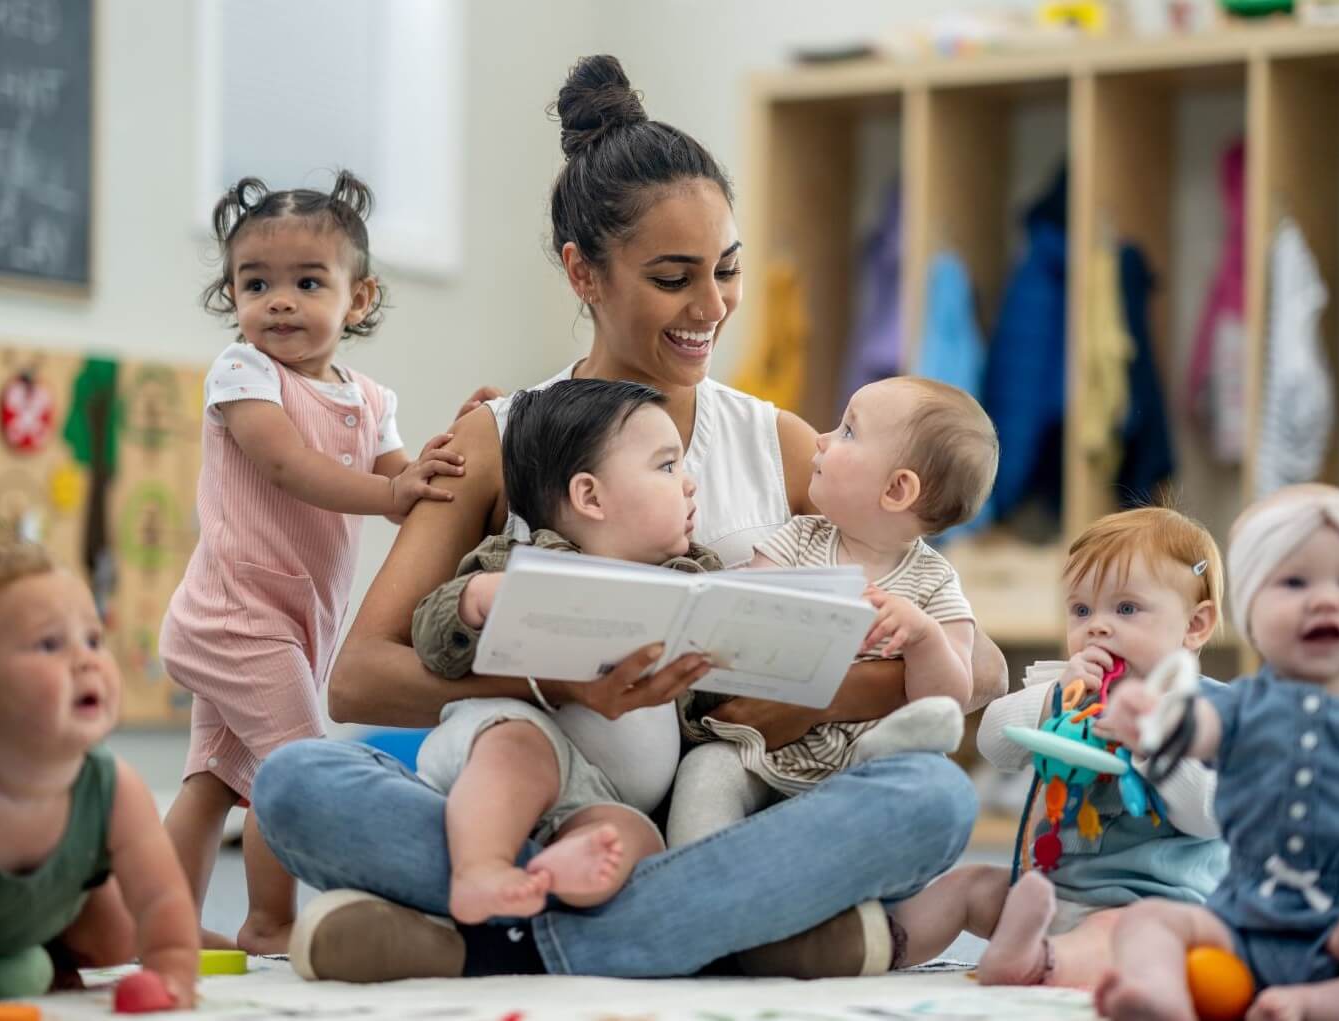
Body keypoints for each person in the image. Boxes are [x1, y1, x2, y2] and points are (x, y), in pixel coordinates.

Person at [255, 54, 1007, 983]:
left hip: (722, 812)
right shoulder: (498, 437)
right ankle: (704, 935)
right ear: (584, 272)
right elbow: (358, 680)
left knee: (931, 797)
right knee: (296, 784)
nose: (712, 307)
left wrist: (780, 700)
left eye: (726, 270)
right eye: (672, 277)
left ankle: (500, 942)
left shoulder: (782, 444)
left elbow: (976, 665)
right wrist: (555, 690)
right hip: (534, 797)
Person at [159, 171, 461, 953]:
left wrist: (453, 449)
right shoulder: (242, 374)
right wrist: (391, 493)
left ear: (358, 299)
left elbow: (406, 485)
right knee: (293, 768)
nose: (279, 300)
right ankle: (270, 920)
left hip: (290, 622)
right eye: (255, 283)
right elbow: (290, 466)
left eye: (306, 281)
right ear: (231, 295)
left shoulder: (370, 399)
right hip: (236, 617)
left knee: (215, 780)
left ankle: (157, 921)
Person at [1096, 484, 1339, 1021]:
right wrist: (1152, 720)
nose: (1325, 599)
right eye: (1294, 582)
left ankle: (1322, 1004)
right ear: (1250, 611)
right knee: (1145, 922)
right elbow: (1196, 729)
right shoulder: (1242, 704)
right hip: (1246, 920)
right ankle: (1161, 998)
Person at [412, 379, 721, 925]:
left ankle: (549, 878)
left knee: (637, 843)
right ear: (591, 497)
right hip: (515, 748)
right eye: (667, 467)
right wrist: (475, 601)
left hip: (603, 797)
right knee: (518, 748)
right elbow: (434, 642)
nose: (690, 484)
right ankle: (480, 869)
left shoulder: (695, 582)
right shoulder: (523, 564)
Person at [886, 507, 1229, 987]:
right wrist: (1052, 698)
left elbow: (1211, 813)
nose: (1097, 627)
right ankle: (876, 945)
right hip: (1047, 894)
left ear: (1195, 625)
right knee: (969, 886)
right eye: (1082, 610)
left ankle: (1040, 962)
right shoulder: (1069, 689)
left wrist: (1152, 744)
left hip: (1146, 910)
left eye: (1126, 608)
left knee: (1116, 935)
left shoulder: (1210, 713)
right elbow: (994, 743)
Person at [669, 376, 996, 847]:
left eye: (847, 431)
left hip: (869, 763)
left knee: (919, 785)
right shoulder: (799, 538)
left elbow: (948, 699)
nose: (821, 438)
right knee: (706, 768)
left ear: (897, 489)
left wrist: (924, 639)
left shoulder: (934, 582)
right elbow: (739, 610)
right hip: (768, 749)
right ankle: (695, 875)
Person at [0, 545, 198, 1007]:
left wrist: (172, 969)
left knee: (119, 938)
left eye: (93, 639)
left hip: (50, 920)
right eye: (50, 644)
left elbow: (161, 898)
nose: (86, 660)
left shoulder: (115, 789)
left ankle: (47, 957)